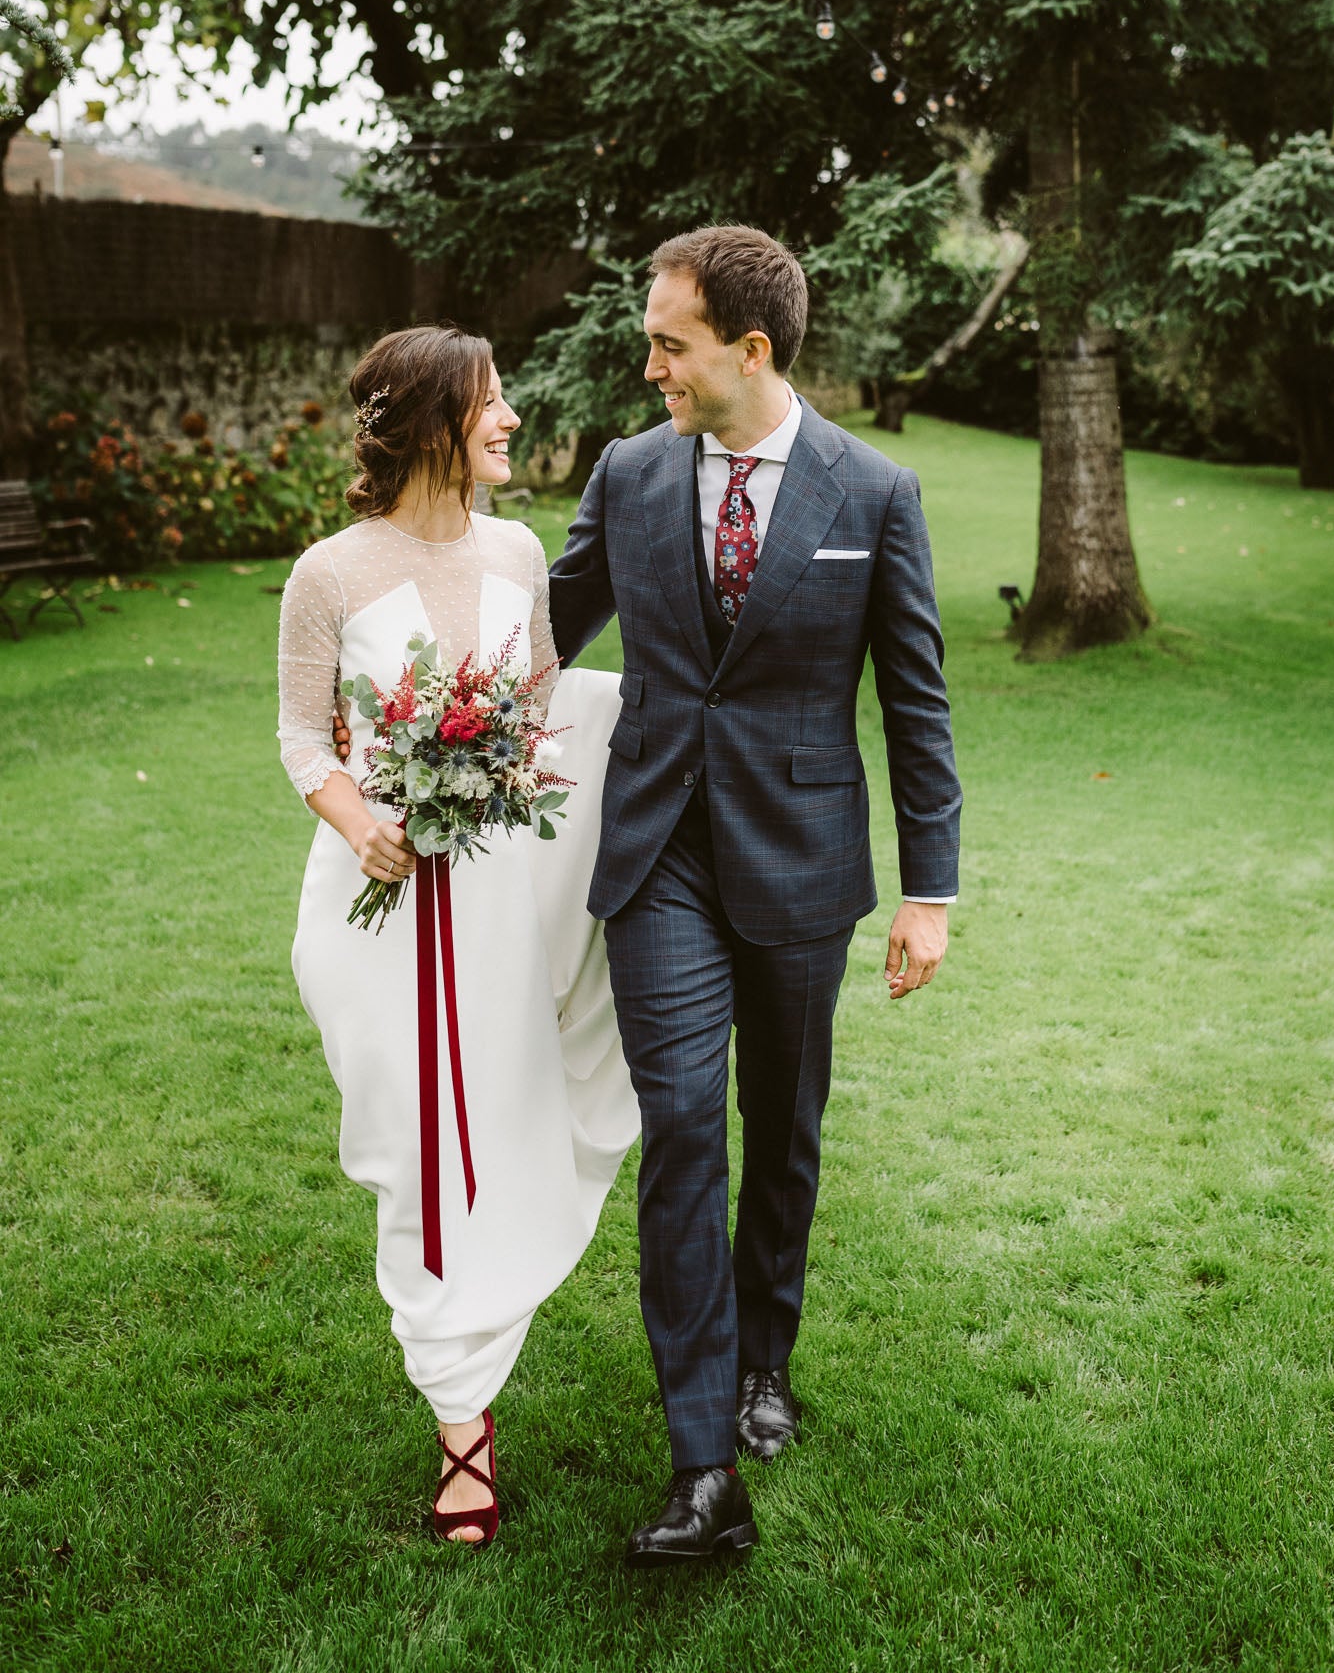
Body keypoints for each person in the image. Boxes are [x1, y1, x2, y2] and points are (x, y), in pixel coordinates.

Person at [548, 225, 962, 1566]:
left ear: (751, 349)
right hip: (657, 850)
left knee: (779, 1128)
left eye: (670, 341)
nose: (649, 361)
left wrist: (929, 894)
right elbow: (543, 630)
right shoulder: (626, 472)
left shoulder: (872, 492)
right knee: (682, 1126)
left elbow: (915, 706)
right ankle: (701, 1464)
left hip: (800, 862)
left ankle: (763, 1362)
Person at [277, 325, 638, 1548]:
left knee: (491, 1129)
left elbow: (537, 703)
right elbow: (303, 742)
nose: (513, 420)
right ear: (434, 418)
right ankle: (456, 1378)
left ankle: (462, 1432)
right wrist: (363, 817)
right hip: (372, 909)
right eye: (493, 402)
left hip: (491, 904)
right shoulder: (328, 572)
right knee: (410, 1146)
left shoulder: (522, 550)